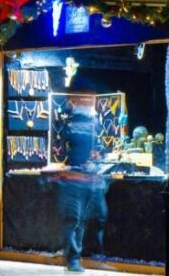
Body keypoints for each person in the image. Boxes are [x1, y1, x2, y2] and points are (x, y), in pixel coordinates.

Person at [57, 100, 108, 273]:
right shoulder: (92, 124)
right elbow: (98, 151)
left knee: (76, 221)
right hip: (80, 177)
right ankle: (73, 258)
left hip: (80, 176)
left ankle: (74, 258)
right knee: (77, 221)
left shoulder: (69, 124)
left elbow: (62, 151)